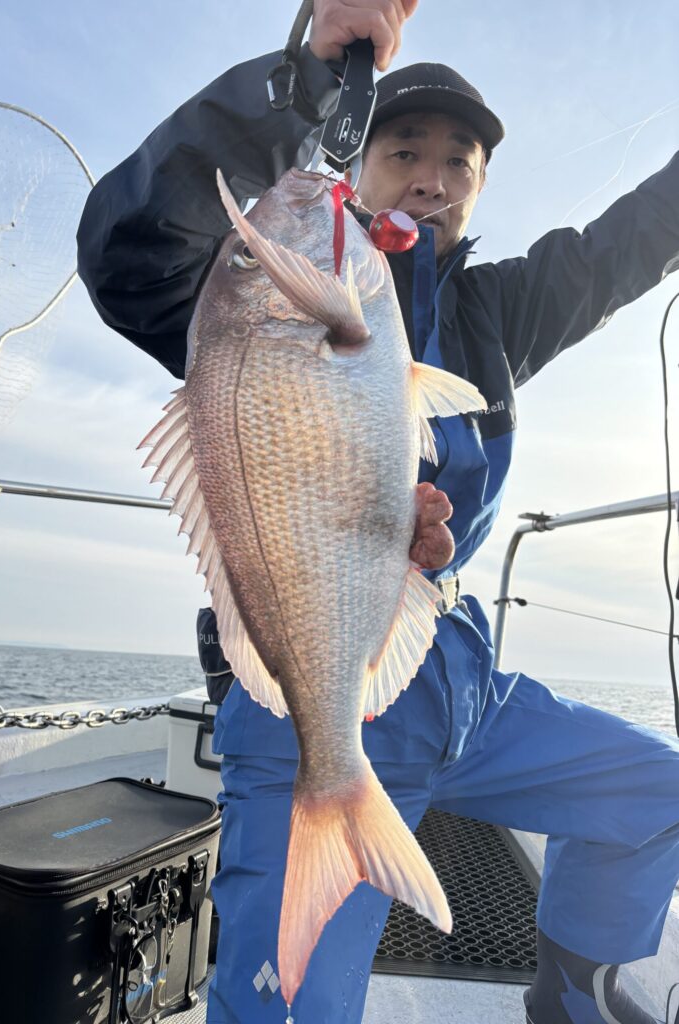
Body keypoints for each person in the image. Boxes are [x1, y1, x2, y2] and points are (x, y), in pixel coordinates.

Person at [76, 2, 679, 1021]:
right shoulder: (262, 288)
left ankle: (571, 992)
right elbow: (131, 250)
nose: (431, 178)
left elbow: (625, 245)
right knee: (287, 1000)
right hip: (305, 700)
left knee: (657, 794)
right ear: (356, 164)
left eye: (458, 163)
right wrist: (302, 78)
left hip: (459, 676)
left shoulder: (497, 311)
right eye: (404, 151)